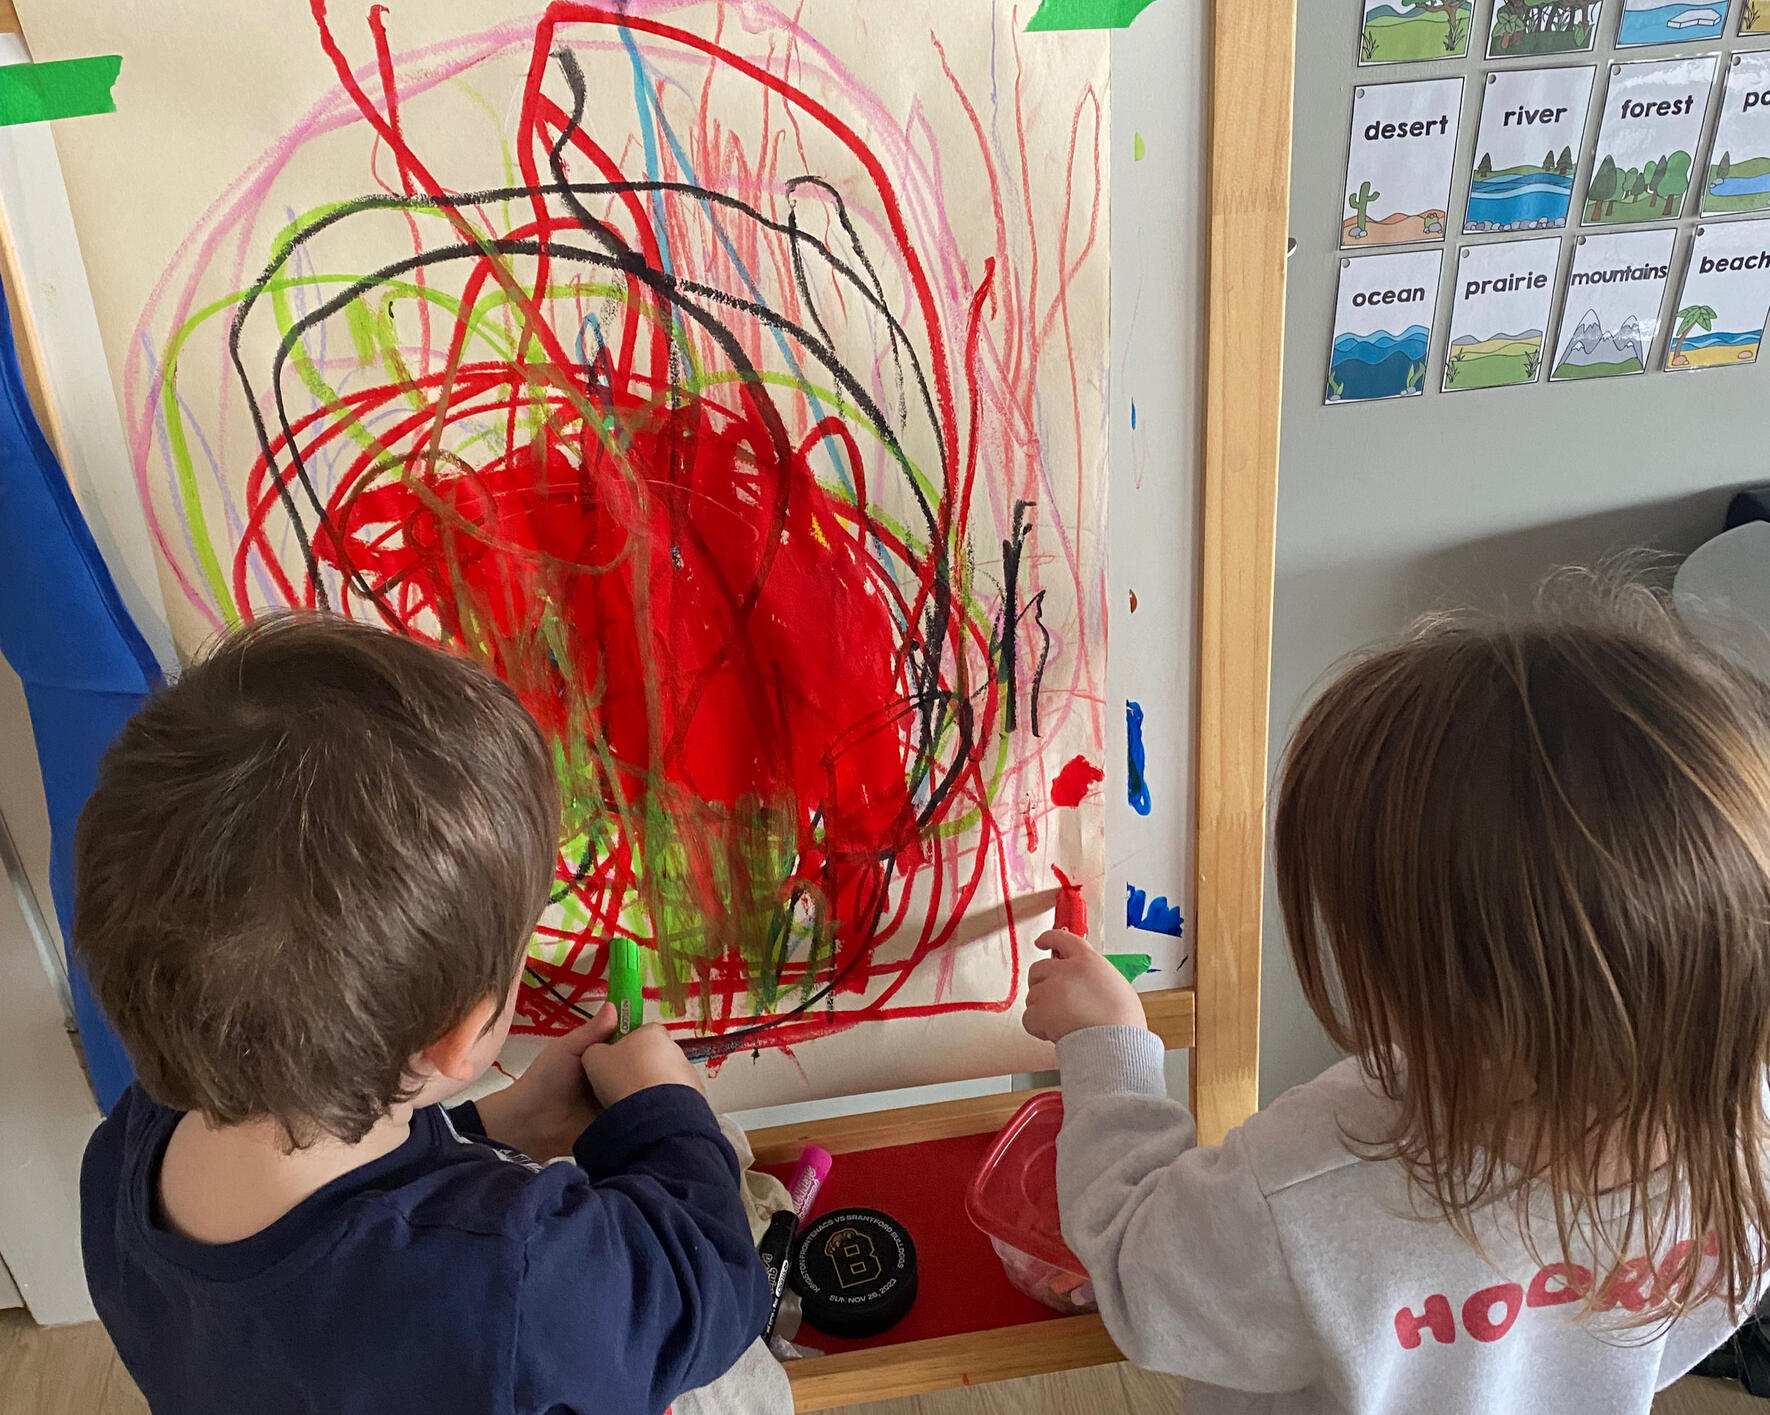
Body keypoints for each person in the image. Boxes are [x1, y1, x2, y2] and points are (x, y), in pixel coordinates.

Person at [1024, 579, 1770, 1413]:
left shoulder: (1317, 1177)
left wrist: (1110, 1049)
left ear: (1441, 987)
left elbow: (1143, 1280)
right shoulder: (1747, 1135)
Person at [75, 612, 779, 1415]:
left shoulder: (121, 1163)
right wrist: (665, 1112)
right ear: (462, 1033)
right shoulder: (517, 1278)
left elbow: (340, 1240)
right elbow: (717, 1289)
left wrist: (499, 1123)